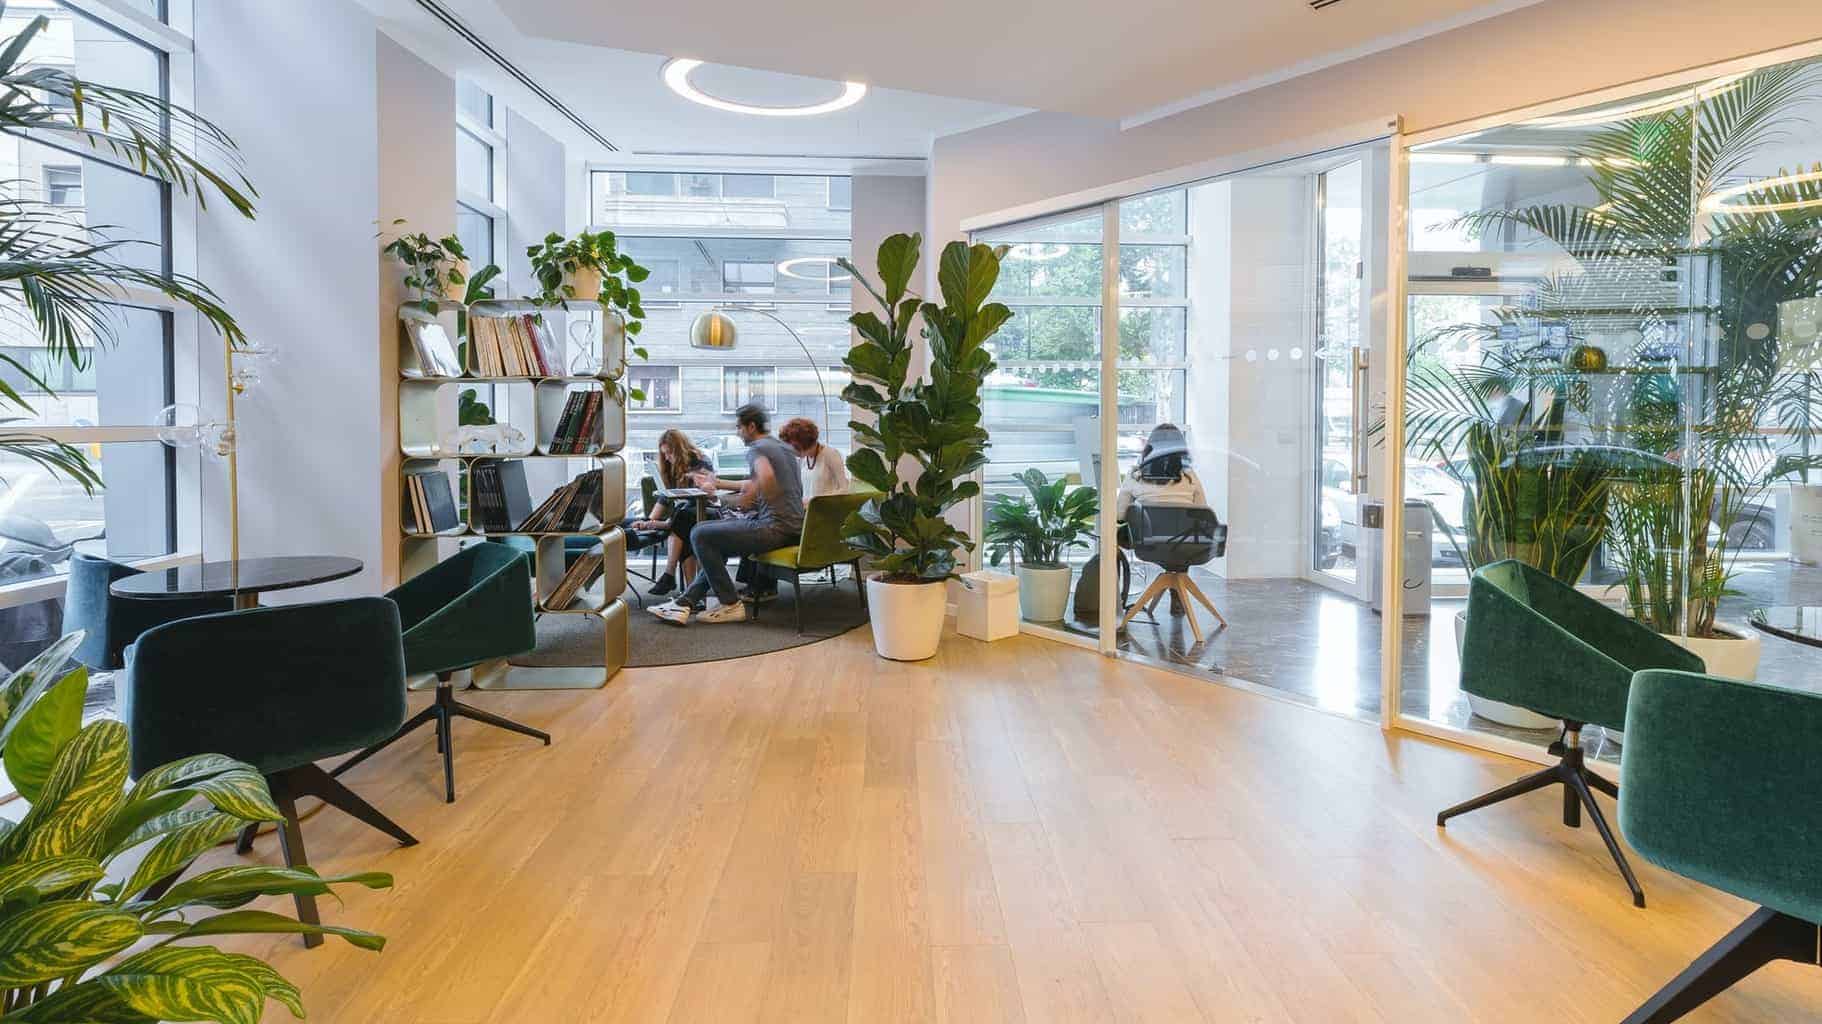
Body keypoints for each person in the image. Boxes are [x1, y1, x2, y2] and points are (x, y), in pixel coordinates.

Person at [650, 403, 804, 626]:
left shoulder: (757, 449)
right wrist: (720, 485)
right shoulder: (783, 449)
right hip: (794, 528)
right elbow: (759, 481)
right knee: (712, 540)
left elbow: (765, 479)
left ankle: (730, 603)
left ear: (751, 426)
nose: (737, 432)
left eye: (739, 427)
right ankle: (685, 603)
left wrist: (740, 501)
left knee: (699, 534)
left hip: (773, 528)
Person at [625, 429, 713, 596]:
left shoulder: (700, 461)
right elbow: (665, 498)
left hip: (706, 511)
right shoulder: (670, 467)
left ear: (680, 450)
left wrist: (656, 523)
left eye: (669, 453)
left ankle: (670, 574)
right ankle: (690, 592)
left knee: (683, 519)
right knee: (684, 528)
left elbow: (705, 495)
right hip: (685, 517)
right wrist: (648, 521)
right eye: (664, 454)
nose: (666, 458)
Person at [779, 417, 849, 499]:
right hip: (807, 509)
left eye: (793, 446)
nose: (791, 450)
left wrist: (815, 502)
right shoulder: (803, 459)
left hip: (827, 509)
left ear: (804, 442)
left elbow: (844, 489)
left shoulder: (830, 454)